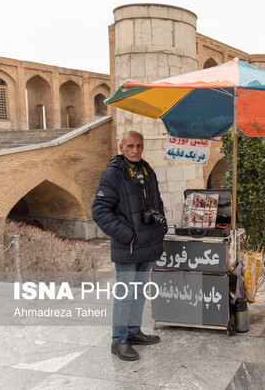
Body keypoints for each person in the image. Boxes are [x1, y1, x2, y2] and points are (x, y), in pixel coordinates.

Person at [92, 130, 167, 361]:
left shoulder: (147, 170)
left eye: (139, 146)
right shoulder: (112, 175)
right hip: (129, 246)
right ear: (121, 147)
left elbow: (157, 202)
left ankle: (133, 331)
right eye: (130, 146)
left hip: (147, 244)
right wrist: (127, 235)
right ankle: (119, 340)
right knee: (125, 294)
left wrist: (160, 227)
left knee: (139, 291)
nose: (135, 150)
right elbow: (99, 211)